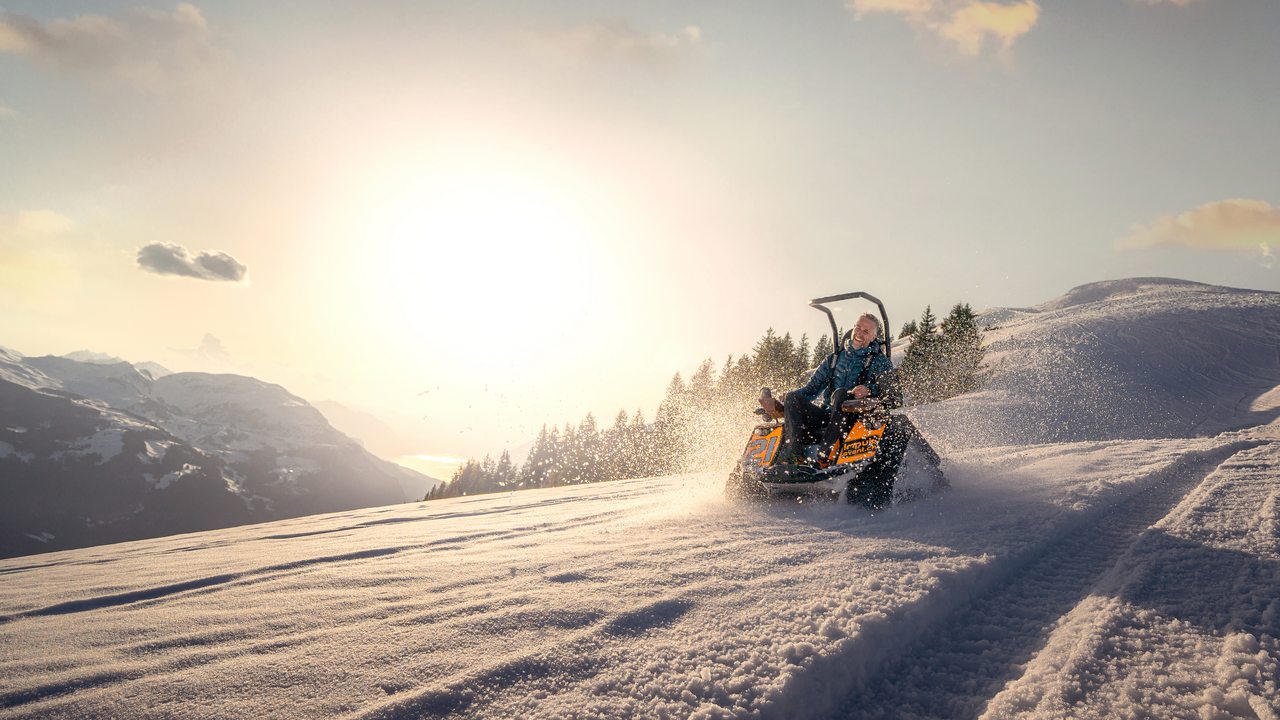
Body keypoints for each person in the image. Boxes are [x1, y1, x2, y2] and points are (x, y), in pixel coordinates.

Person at [760, 312, 901, 467]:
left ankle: (825, 457)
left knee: (841, 393)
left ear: (873, 337)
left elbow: (893, 394)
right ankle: (793, 458)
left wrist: (869, 390)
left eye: (866, 331)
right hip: (829, 414)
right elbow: (811, 390)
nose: (860, 334)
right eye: (858, 328)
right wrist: (787, 401)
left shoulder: (879, 361)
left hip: (856, 418)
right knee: (793, 397)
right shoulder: (834, 359)